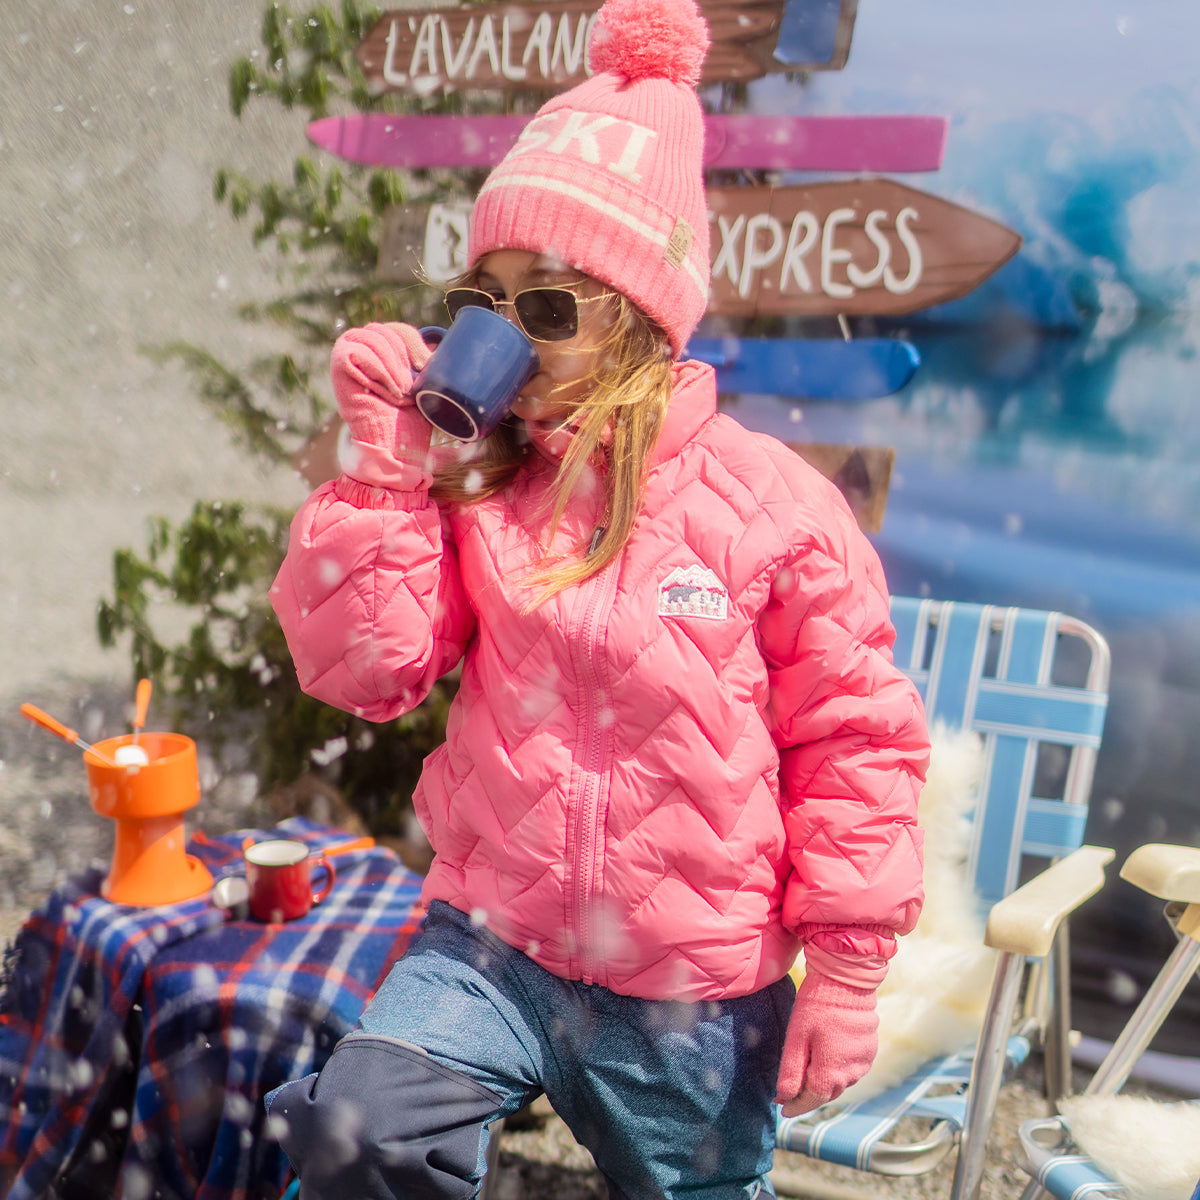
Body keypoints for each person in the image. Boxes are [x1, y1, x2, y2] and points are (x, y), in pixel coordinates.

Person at [266, 0, 928, 1196]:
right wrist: (382, 468)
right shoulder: (481, 488)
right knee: (357, 1131)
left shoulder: (772, 507)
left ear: (640, 321)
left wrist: (845, 969)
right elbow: (369, 673)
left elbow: (856, 742)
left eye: (550, 306)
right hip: (492, 950)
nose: (508, 336)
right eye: (485, 301)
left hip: (689, 992)